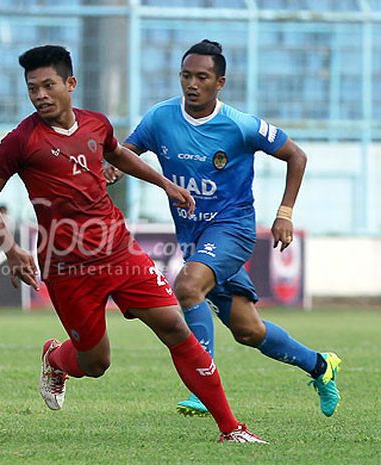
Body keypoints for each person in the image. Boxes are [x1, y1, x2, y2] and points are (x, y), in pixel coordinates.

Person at [0, 44, 266, 443]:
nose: (40, 95)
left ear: (70, 84)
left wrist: (165, 183)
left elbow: (120, 156)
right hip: (67, 265)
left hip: (118, 250)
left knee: (174, 327)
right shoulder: (20, 141)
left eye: (48, 85)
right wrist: (11, 248)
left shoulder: (96, 123)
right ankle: (57, 359)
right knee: (96, 363)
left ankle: (231, 428)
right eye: (32, 88)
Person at [108, 39, 341, 417]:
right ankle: (320, 365)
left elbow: (296, 155)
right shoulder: (160, 118)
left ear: (220, 83)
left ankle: (203, 385)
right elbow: (128, 149)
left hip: (233, 229)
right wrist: (117, 164)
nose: (192, 84)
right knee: (248, 330)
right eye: (186, 75)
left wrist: (284, 213)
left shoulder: (240, 125)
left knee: (187, 286)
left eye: (202, 77)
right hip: (194, 237)